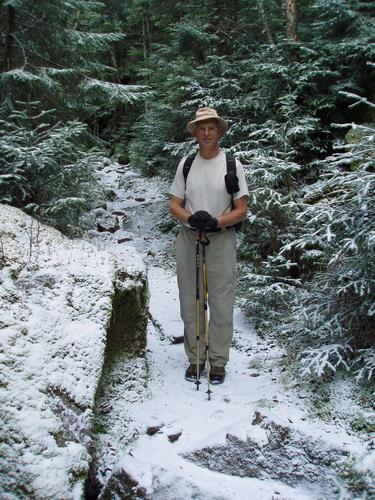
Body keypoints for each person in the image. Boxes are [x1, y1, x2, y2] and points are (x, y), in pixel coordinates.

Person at [169, 107, 249, 385]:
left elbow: (241, 209)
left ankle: (217, 361)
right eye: (201, 128)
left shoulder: (231, 164)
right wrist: (191, 219)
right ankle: (196, 359)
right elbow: (174, 203)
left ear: (218, 131)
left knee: (221, 302)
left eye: (211, 128)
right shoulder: (186, 164)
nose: (206, 133)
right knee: (190, 299)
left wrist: (215, 221)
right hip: (190, 239)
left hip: (221, 238)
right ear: (195, 133)